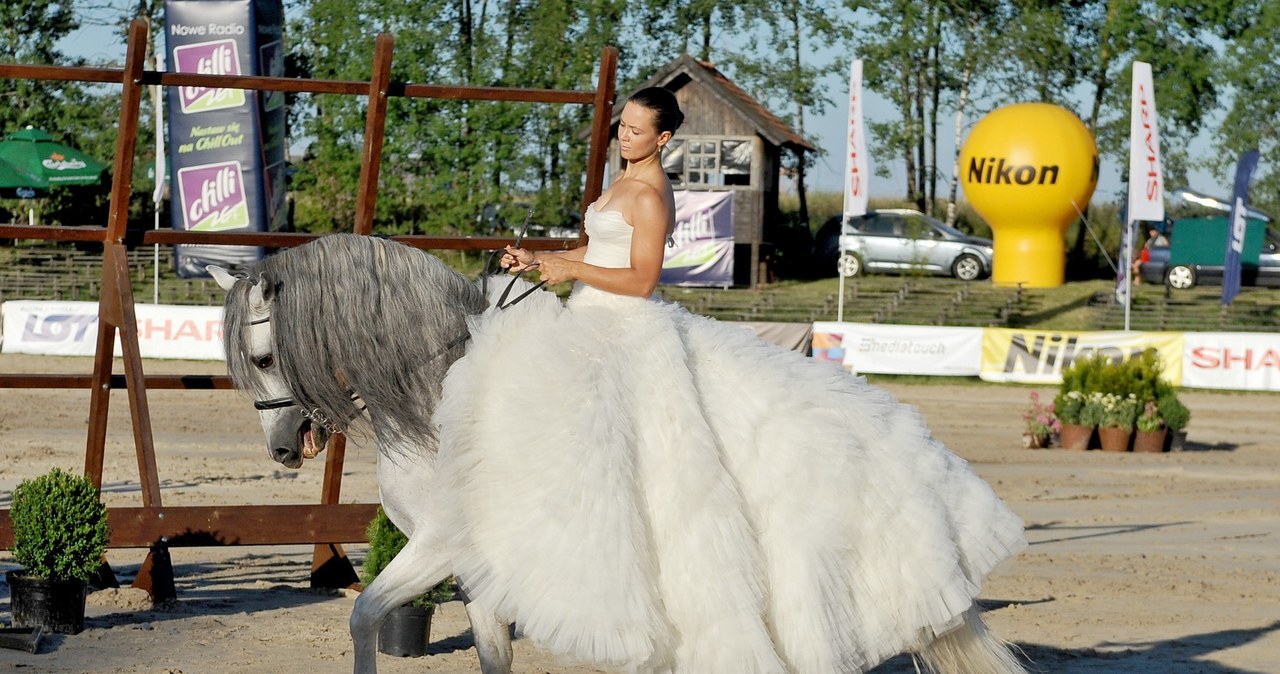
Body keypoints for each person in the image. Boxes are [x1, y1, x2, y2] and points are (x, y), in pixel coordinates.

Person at [434, 87, 1027, 673]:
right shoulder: (618, 182)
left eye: (637, 131)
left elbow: (641, 280)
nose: (625, 136)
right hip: (587, 318)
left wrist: (569, 266)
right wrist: (544, 260)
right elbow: (597, 252)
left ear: (663, 139)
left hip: (626, 330)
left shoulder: (650, 192)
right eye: (623, 127)